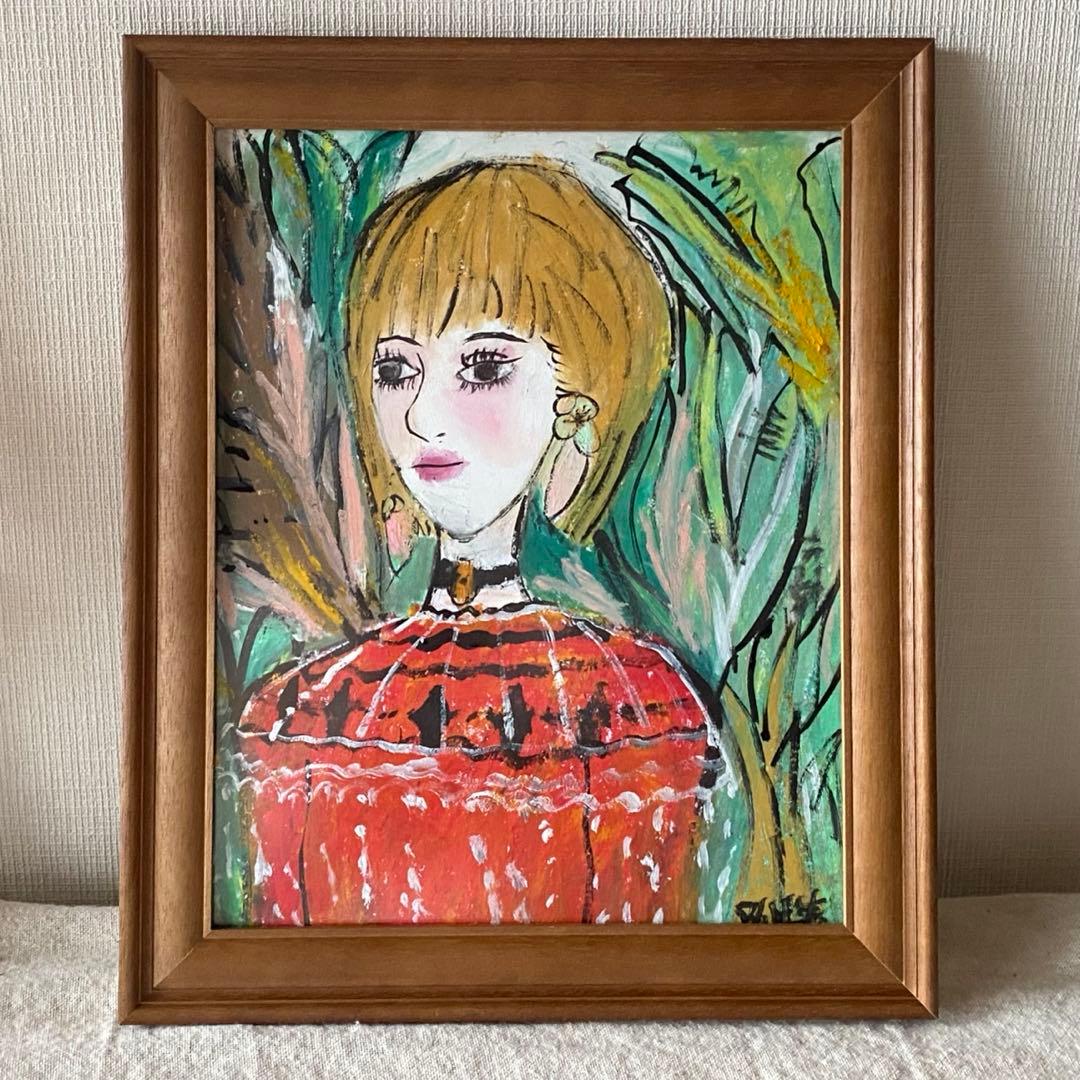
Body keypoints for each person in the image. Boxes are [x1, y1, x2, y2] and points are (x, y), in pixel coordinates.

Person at [235, 156, 728, 926]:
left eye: (485, 365)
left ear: (575, 400)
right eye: (397, 369)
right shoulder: (303, 711)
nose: (423, 416)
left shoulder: (636, 705)